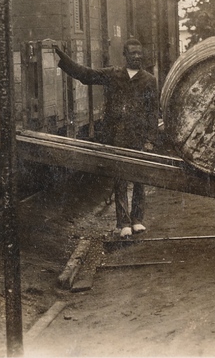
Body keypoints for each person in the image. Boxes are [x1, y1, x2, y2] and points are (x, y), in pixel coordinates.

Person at [46, 38, 159, 238]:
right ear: (125, 55)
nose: (136, 57)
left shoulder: (149, 80)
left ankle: (138, 219)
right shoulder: (114, 74)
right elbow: (86, 75)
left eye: (139, 53)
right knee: (120, 179)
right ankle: (123, 222)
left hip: (139, 135)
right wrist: (63, 57)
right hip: (118, 134)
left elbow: (152, 113)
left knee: (140, 178)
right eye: (132, 53)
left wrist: (150, 139)